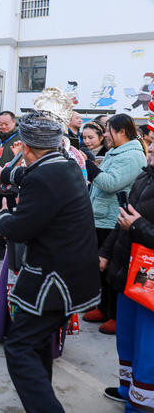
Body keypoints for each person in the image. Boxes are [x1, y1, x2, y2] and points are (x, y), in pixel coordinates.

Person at [0, 111, 100, 413]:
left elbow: (21, 228)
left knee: (18, 347)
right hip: (76, 275)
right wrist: (4, 174)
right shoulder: (65, 165)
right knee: (37, 344)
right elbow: (28, 174)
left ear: (25, 147)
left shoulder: (44, 176)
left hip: (53, 281)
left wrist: (2, 219)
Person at [99, 139, 154, 408]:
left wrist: (139, 226)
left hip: (150, 279)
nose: (151, 148)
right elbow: (122, 222)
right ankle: (128, 389)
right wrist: (105, 254)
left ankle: (142, 401)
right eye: (152, 143)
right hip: (130, 271)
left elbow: (134, 224)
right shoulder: (145, 177)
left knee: (148, 344)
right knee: (128, 336)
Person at [84, 114, 147, 335]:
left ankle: (114, 314)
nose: (105, 136)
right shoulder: (115, 152)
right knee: (100, 268)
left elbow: (111, 184)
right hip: (101, 216)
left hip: (114, 219)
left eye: (108, 130)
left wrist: (88, 165)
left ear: (121, 131)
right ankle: (102, 306)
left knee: (113, 269)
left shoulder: (132, 156)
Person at [0, 111, 21, 260]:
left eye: (6, 124)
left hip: (13, 189)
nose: (3, 126)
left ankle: (12, 249)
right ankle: (0, 247)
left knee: (13, 220)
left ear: (14, 123)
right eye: (0, 124)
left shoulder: (20, 140)